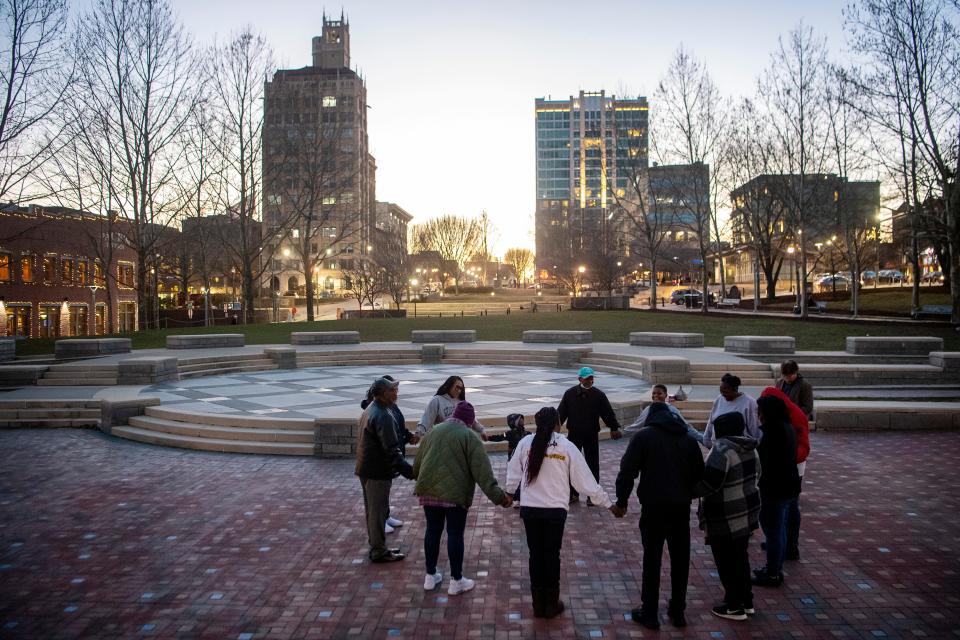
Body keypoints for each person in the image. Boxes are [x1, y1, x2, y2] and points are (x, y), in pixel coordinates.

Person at [506, 406, 617, 619]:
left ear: (537, 423)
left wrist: (509, 494)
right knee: (551, 556)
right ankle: (551, 604)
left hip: (531, 510)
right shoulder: (565, 446)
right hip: (555, 512)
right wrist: (608, 503)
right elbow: (584, 480)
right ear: (558, 423)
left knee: (535, 556)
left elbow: (513, 473)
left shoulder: (525, 443)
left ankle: (538, 604)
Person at [614, 403, 705, 629]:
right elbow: (699, 476)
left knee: (652, 559)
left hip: (653, 506)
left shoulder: (645, 437)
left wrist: (622, 501)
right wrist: (687, 494)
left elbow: (627, 471)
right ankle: (678, 611)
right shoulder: (688, 439)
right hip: (680, 508)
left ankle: (650, 612)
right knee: (680, 559)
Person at [413, 401, 512, 596]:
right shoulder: (469, 437)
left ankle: (430, 577)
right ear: (468, 421)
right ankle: (456, 581)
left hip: (428, 491)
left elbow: (417, 464)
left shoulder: (434, 431)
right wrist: (500, 498)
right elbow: (483, 474)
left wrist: (419, 479)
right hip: (454, 495)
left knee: (432, 531)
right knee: (455, 534)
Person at [693, 412, 761, 622]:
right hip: (746, 511)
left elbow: (709, 484)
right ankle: (746, 602)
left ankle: (733, 606)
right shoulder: (751, 447)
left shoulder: (722, 450)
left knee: (726, 561)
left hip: (725, 514)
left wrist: (685, 488)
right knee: (740, 558)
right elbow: (758, 474)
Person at [354, 377, 414, 563]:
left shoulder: (372, 409)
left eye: (396, 391)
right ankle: (378, 551)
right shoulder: (383, 415)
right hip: (377, 471)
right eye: (391, 391)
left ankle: (377, 545)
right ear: (380, 394)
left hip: (366, 468)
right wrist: (411, 472)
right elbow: (392, 451)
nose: (396, 394)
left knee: (373, 512)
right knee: (378, 513)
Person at [752, 395, 801, 587]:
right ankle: (774, 568)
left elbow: (766, 463)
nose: (758, 415)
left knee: (773, 531)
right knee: (779, 529)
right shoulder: (787, 427)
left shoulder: (773, 432)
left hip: (774, 489)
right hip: (789, 486)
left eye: (760, 411)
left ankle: (773, 572)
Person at [557, 366, 623, 504]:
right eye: (587, 378)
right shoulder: (569, 394)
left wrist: (614, 427)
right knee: (571, 464)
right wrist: (553, 428)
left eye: (592, 378)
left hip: (591, 434)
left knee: (592, 464)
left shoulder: (599, 395)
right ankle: (572, 494)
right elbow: (561, 413)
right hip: (574, 434)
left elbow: (607, 413)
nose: (590, 380)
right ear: (580, 379)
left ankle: (592, 496)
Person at [760, 386, 810, 561]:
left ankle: (789, 545)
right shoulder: (779, 416)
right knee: (782, 510)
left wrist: (787, 459)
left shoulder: (794, 416)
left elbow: (803, 445)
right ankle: (777, 540)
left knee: (788, 508)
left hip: (792, 467)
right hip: (785, 466)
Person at [625, 384, 703, 443]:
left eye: (659, 393)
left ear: (665, 395)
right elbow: (636, 425)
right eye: (654, 393)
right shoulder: (648, 409)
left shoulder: (672, 410)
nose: (655, 396)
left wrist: (703, 440)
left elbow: (686, 427)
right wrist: (621, 433)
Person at [416, 376, 487, 439]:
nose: (459, 391)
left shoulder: (461, 402)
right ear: (449, 386)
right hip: (442, 440)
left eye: (461, 389)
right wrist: (418, 433)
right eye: (457, 387)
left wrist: (482, 430)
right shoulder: (436, 400)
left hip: (460, 440)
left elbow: (472, 420)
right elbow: (427, 419)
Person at [702, 374, 760, 448]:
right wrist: (707, 440)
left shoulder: (749, 403)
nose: (722, 394)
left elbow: (754, 428)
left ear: (735, 389)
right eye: (721, 391)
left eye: (725, 392)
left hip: (739, 448)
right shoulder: (719, 399)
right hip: (717, 446)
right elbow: (711, 421)